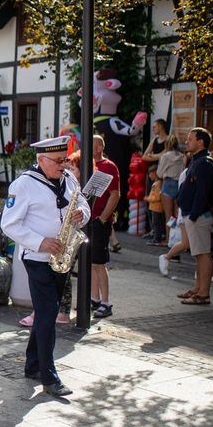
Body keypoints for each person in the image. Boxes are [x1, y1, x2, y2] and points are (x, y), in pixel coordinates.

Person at [0, 136, 89, 397]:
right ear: (41, 160)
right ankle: (50, 377)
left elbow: (82, 202)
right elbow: (9, 224)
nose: (64, 165)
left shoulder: (69, 179)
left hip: (62, 255)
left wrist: (82, 214)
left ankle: (33, 364)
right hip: (37, 258)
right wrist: (41, 242)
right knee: (48, 313)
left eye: (65, 160)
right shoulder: (24, 185)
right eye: (58, 161)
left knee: (45, 311)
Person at [176, 127, 213, 305]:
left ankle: (204, 293)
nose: (187, 142)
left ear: (200, 142)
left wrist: (193, 214)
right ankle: (198, 288)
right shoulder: (196, 161)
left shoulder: (205, 163)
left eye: (190, 139)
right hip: (192, 214)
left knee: (203, 254)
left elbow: (203, 192)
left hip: (198, 216)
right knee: (198, 254)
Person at [89, 135, 120, 319]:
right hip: (88, 219)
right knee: (91, 262)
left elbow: (115, 195)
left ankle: (106, 302)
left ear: (100, 146)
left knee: (99, 263)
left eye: (92, 144)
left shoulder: (108, 166)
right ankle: (95, 298)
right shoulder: (86, 164)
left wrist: (102, 218)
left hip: (99, 221)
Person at [157, 135, 184, 239]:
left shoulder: (166, 156)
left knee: (169, 216)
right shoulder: (182, 156)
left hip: (168, 184)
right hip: (179, 184)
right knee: (177, 215)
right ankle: (179, 239)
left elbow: (159, 173)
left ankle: (169, 239)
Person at [146, 167, 165, 246]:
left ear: (155, 174)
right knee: (156, 223)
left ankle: (156, 239)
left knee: (156, 224)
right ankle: (157, 238)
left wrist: (148, 199)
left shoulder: (157, 184)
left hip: (156, 207)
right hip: (155, 207)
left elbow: (156, 197)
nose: (149, 176)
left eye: (150, 174)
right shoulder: (158, 183)